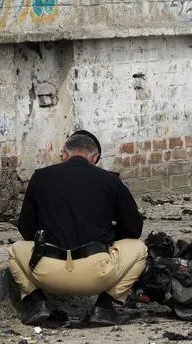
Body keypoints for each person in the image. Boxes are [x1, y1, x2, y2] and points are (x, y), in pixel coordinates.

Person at [8, 130, 147, 327]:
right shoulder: (111, 181)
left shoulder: (40, 177)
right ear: (95, 157)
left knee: (14, 250)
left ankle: (38, 304)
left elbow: (26, 229)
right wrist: (110, 239)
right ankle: (104, 308)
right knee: (139, 249)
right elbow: (133, 230)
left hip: (48, 273)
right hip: (97, 274)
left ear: (64, 154)